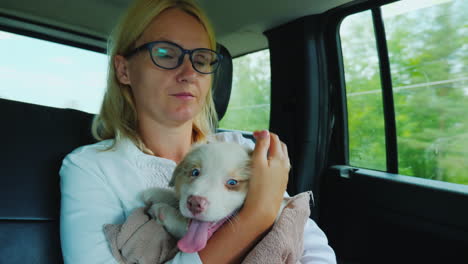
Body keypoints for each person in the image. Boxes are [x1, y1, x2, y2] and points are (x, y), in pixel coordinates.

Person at [59, 0, 337, 263]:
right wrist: (258, 214)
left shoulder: (235, 147)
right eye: (166, 54)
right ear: (123, 70)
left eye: (201, 59)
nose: (189, 72)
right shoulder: (91, 167)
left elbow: (313, 248)